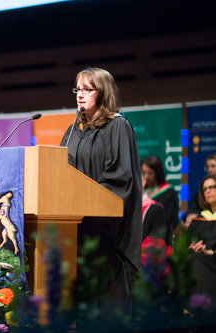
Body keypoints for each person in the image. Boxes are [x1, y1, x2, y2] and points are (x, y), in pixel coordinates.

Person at [60, 67, 142, 316]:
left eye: (87, 89)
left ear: (102, 93)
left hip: (105, 234)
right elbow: (58, 173)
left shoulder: (117, 126)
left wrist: (87, 201)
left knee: (107, 312)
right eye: (78, 89)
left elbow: (120, 177)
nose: (80, 95)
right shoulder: (74, 130)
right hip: (76, 231)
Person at [186, 174, 216, 320]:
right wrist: (192, 247)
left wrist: (211, 252)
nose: (207, 191)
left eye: (211, 187)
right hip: (199, 261)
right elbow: (185, 245)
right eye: (204, 189)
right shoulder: (198, 220)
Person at [141, 156, 179, 231]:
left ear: (157, 173)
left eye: (150, 173)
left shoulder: (168, 192)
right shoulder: (139, 192)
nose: (146, 176)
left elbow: (171, 219)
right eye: (143, 172)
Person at [182, 154, 216, 227]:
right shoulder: (200, 195)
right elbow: (193, 210)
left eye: (213, 166)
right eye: (207, 167)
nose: (209, 170)